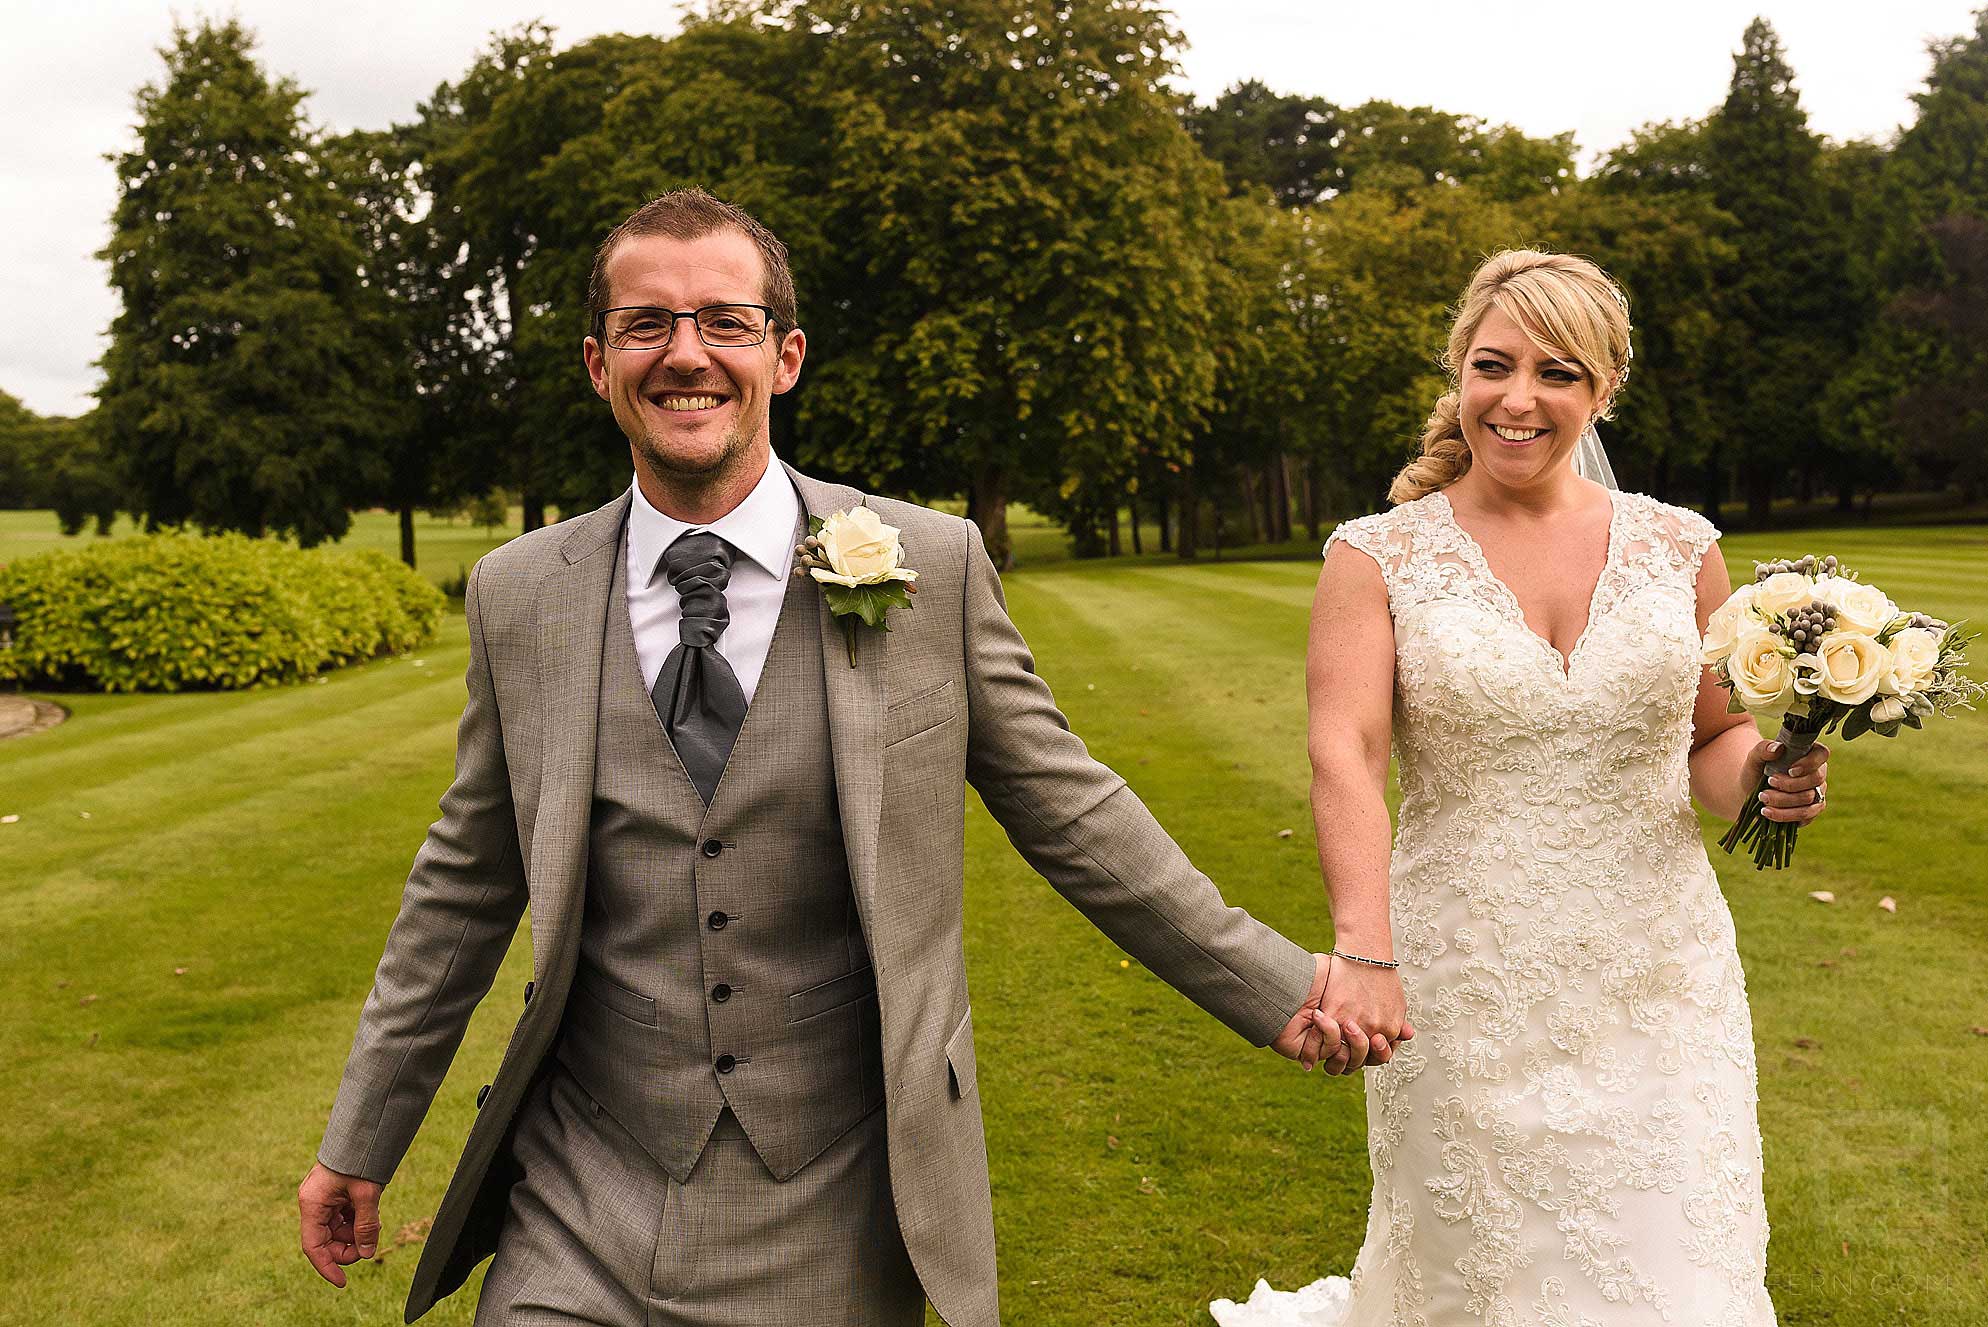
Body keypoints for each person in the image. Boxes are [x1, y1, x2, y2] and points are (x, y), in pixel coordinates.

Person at [297, 188, 1359, 1327]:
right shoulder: (521, 594)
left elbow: (1068, 810)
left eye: (724, 321)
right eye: (645, 324)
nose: (685, 355)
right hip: (582, 1189)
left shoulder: (929, 566)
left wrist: (1273, 982)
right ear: (597, 364)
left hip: (835, 1198)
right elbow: (463, 882)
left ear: (785, 355)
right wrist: (363, 1134)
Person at [1213, 250, 1828, 1326]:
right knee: (1482, 1274)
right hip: (1463, 971)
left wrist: (1769, 780)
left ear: (1600, 390)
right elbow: (1343, 754)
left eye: (1557, 372)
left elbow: (1711, 741)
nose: (1518, 397)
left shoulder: (1680, 548)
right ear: (1456, 371)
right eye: (1492, 365)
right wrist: (1363, 952)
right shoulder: (1377, 556)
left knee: (1674, 1261)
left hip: (1657, 971)